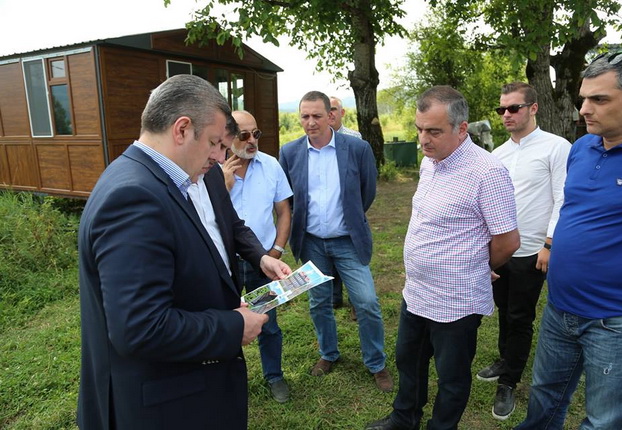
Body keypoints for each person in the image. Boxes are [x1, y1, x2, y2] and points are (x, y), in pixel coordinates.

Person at [76, 74, 289, 430]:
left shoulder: (182, 173)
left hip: (192, 386)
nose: (221, 156)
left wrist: (258, 257)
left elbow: (223, 227)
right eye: (214, 143)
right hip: (164, 404)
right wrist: (234, 326)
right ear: (182, 129)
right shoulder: (133, 198)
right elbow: (141, 328)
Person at [366, 86, 519, 430]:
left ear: (461, 128)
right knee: (409, 361)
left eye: (434, 131)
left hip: (456, 301)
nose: (423, 139)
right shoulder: (429, 163)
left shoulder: (487, 172)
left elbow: (508, 241)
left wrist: (479, 267)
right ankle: (404, 419)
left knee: (451, 377)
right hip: (417, 292)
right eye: (419, 129)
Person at [515, 52, 622, 429]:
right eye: (583, 98)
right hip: (560, 307)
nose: (584, 109)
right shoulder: (582, 148)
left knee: (603, 420)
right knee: (544, 397)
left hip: (620, 319)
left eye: (599, 99)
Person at [279, 91, 393, 392]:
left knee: (366, 302)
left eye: (317, 116)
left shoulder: (357, 148)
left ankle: (376, 363)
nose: (310, 122)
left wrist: (350, 218)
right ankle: (328, 353)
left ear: (330, 116)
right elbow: (288, 198)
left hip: (347, 241)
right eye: (305, 116)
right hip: (311, 243)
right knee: (319, 303)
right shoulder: (289, 152)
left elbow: (367, 191)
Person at [475, 82, 570, 420]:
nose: (506, 115)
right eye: (501, 109)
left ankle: (509, 382)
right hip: (500, 249)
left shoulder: (556, 147)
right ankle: (506, 359)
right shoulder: (497, 154)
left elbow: (563, 198)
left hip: (533, 250)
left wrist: (549, 244)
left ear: (533, 108)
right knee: (503, 309)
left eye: (513, 108)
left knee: (520, 316)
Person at [219, 110, 294, 403]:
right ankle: (225, 381)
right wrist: (223, 187)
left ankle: (274, 376)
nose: (252, 140)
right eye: (244, 135)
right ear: (229, 136)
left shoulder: (271, 165)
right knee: (224, 323)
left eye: (256, 134)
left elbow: (284, 211)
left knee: (268, 322)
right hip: (224, 265)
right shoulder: (212, 169)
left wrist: (276, 250)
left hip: (262, 262)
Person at [329, 95, 360, 316]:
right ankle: (334, 297)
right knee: (329, 257)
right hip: (326, 211)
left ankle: (357, 299)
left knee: (351, 256)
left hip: (350, 210)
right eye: (327, 109)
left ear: (342, 112)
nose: (330, 113)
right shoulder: (314, 140)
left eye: (333, 108)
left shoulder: (354, 138)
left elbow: (365, 180)